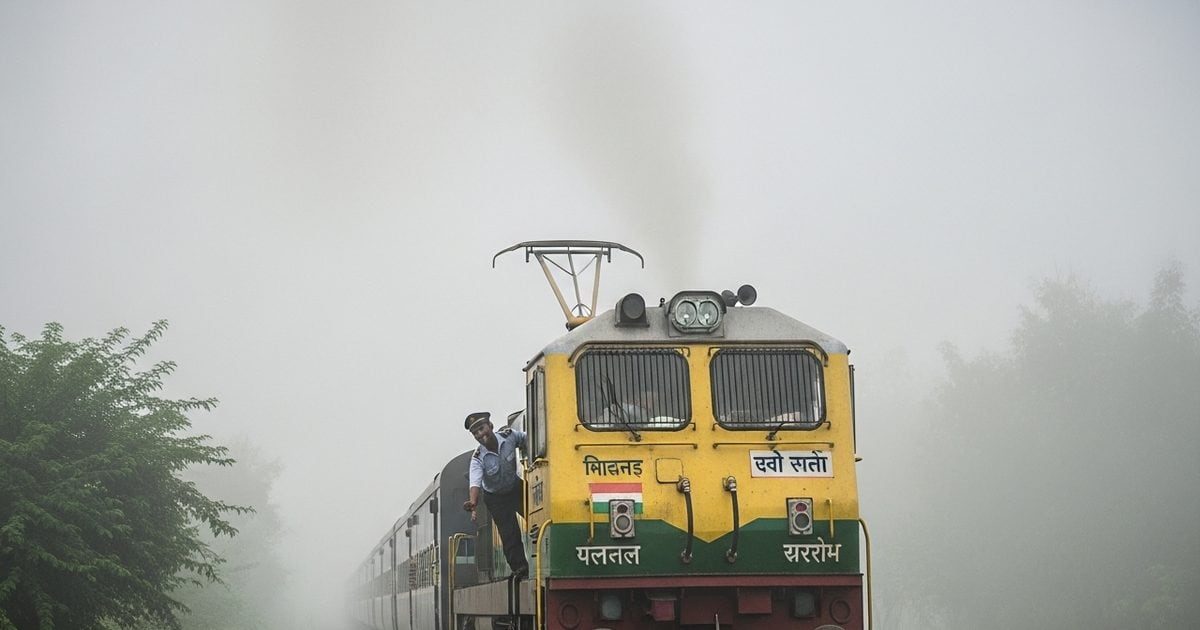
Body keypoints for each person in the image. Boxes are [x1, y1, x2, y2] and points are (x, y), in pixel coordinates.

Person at [461, 411, 529, 579]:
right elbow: (475, 482)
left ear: (490, 426)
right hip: (496, 498)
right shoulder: (478, 458)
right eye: (475, 433)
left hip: (515, 487)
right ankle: (520, 568)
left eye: (481, 429)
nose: (480, 434)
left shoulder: (510, 436)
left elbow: (530, 438)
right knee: (509, 532)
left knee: (537, 514)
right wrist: (473, 502)